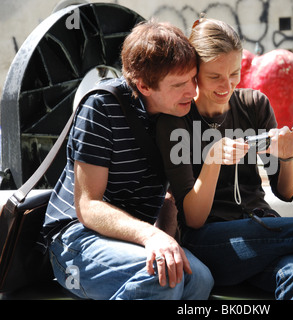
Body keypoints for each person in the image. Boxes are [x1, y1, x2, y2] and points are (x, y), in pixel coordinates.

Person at [156, 17, 293, 300]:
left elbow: (286, 193)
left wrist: (288, 155)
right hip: (209, 240)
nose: (227, 85)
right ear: (194, 72)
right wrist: (212, 161)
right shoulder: (175, 121)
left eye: (234, 74)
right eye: (215, 77)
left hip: (259, 229)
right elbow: (194, 220)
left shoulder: (254, 105)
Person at [41, 20, 214, 300]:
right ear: (144, 86)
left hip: (132, 239)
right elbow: (88, 206)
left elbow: (171, 194)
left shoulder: (179, 111)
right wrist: (153, 237)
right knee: (164, 276)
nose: (192, 91)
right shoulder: (101, 107)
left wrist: (165, 238)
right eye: (180, 84)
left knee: (200, 279)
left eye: (193, 78)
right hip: (76, 240)